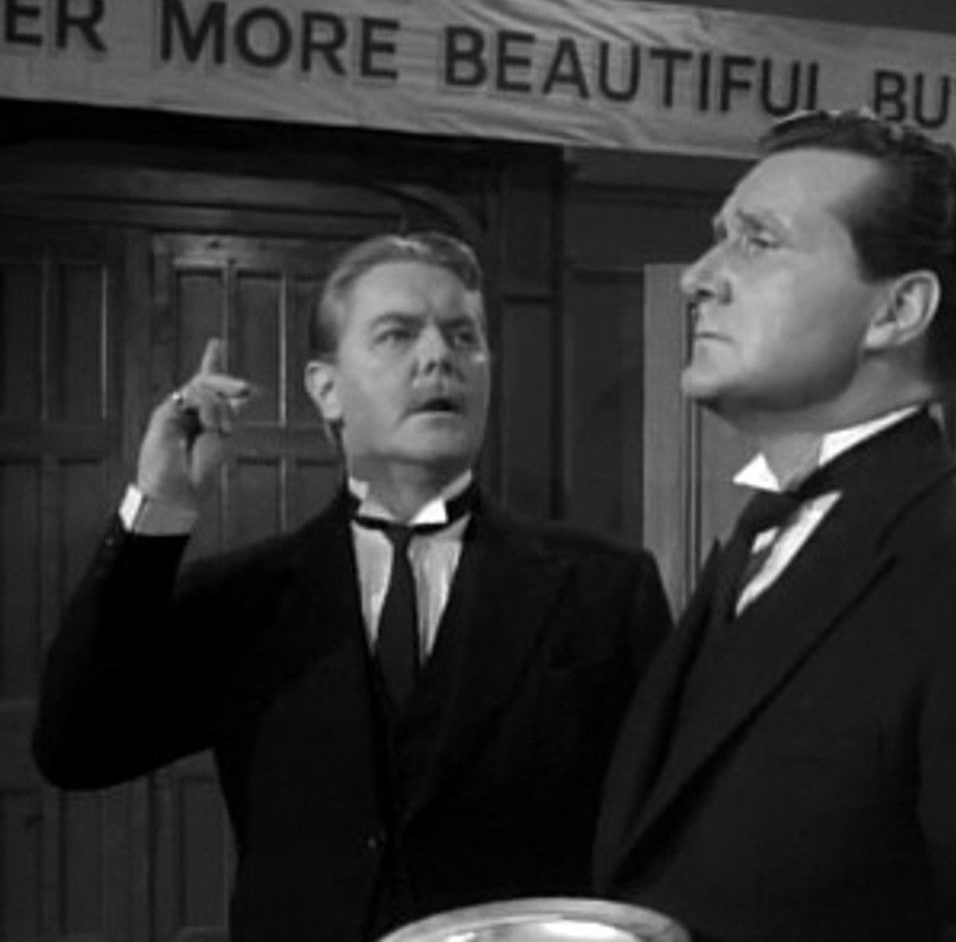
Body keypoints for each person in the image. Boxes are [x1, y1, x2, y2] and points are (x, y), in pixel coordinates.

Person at [592, 111, 956, 941]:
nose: (699, 278)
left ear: (898, 310)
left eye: (757, 240)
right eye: (717, 238)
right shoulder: (755, 545)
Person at [33, 231, 672, 942]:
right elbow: (76, 746)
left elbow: (664, 827)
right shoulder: (249, 598)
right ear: (326, 389)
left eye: (464, 336)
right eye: (398, 335)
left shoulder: (604, 587)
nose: (439, 357)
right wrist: (160, 507)